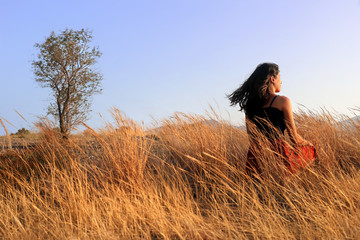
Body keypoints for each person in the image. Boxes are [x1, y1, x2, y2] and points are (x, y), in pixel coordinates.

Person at [228, 63, 316, 176]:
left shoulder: (250, 106)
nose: (281, 82)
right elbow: (294, 138)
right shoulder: (283, 101)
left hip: (256, 156)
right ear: (273, 79)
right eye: (280, 78)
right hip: (279, 154)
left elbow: (252, 139)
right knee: (312, 151)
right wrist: (309, 144)